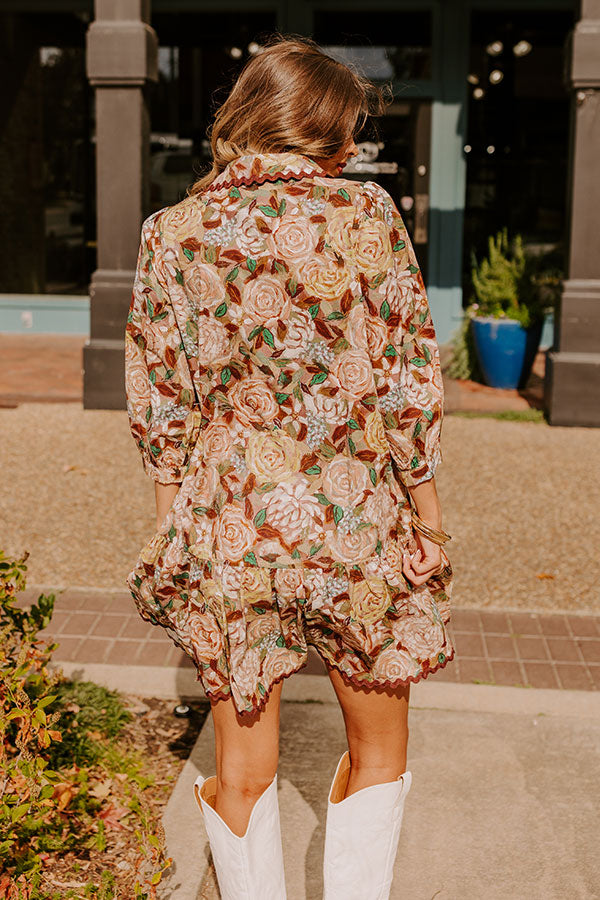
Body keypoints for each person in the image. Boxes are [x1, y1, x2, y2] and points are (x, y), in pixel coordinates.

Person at [124, 35, 455, 900]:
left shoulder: (172, 234)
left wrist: (171, 527)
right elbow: (407, 385)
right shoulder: (368, 216)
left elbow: (162, 401)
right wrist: (429, 519)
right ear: (318, 132)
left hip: (233, 518)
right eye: (345, 133)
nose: (351, 151)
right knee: (379, 743)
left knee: (241, 767)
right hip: (359, 516)